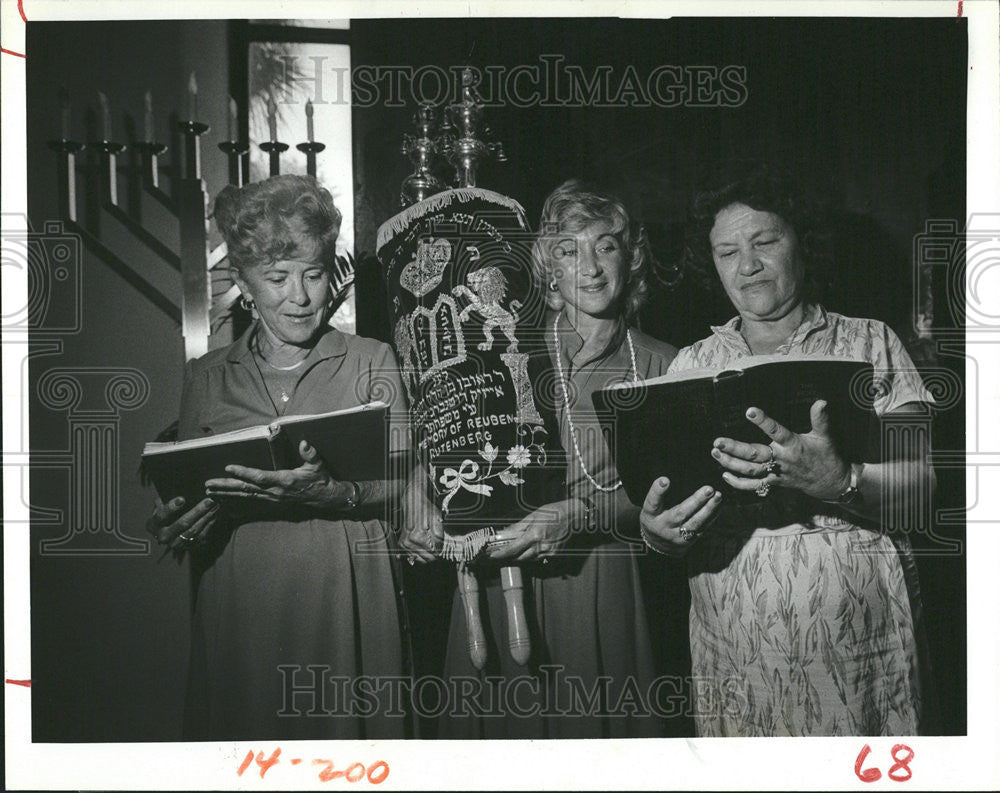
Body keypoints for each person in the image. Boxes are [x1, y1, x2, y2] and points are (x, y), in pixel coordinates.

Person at [639, 164, 936, 736]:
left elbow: (923, 490)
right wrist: (659, 535)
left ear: (801, 242)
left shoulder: (871, 342)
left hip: (859, 643)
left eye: (765, 242)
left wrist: (841, 482)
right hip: (736, 647)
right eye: (727, 252)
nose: (747, 265)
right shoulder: (689, 367)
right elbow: (667, 519)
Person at [402, 179, 677, 738]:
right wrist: (415, 491)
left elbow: (668, 497)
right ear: (547, 267)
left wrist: (581, 516)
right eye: (568, 250)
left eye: (606, 246)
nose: (592, 267)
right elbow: (447, 434)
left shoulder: (664, 364)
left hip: (598, 581)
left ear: (633, 257)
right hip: (489, 574)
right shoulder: (500, 342)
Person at [145, 174, 410, 740]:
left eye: (314, 274)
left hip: (347, 591)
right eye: (277, 278)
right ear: (243, 284)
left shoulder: (371, 359)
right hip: (242, 600)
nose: (301, 296)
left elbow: (406, 484)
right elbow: (191, 492)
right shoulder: (206, 375)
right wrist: (180, 522)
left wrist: (335, 493)